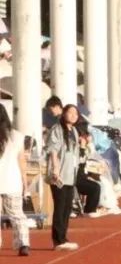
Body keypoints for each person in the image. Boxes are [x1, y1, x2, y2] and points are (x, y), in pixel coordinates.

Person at [45, 104, 82, 251]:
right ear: (64, 113)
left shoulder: (74, 131)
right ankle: (58, 239)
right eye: (70, 112)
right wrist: (55, 169)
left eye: (76, 114)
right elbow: (53, 151)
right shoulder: (57, 129)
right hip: (59, 174)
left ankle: (63, 237)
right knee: (60, 206)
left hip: (70, 174)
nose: (73, 115)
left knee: (67, 207)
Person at [0, 105, 31, 257]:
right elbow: (21, 161)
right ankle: (23, 243)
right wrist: (25, 182)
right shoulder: (17, 136)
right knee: (17, 214)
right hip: (12, 180)